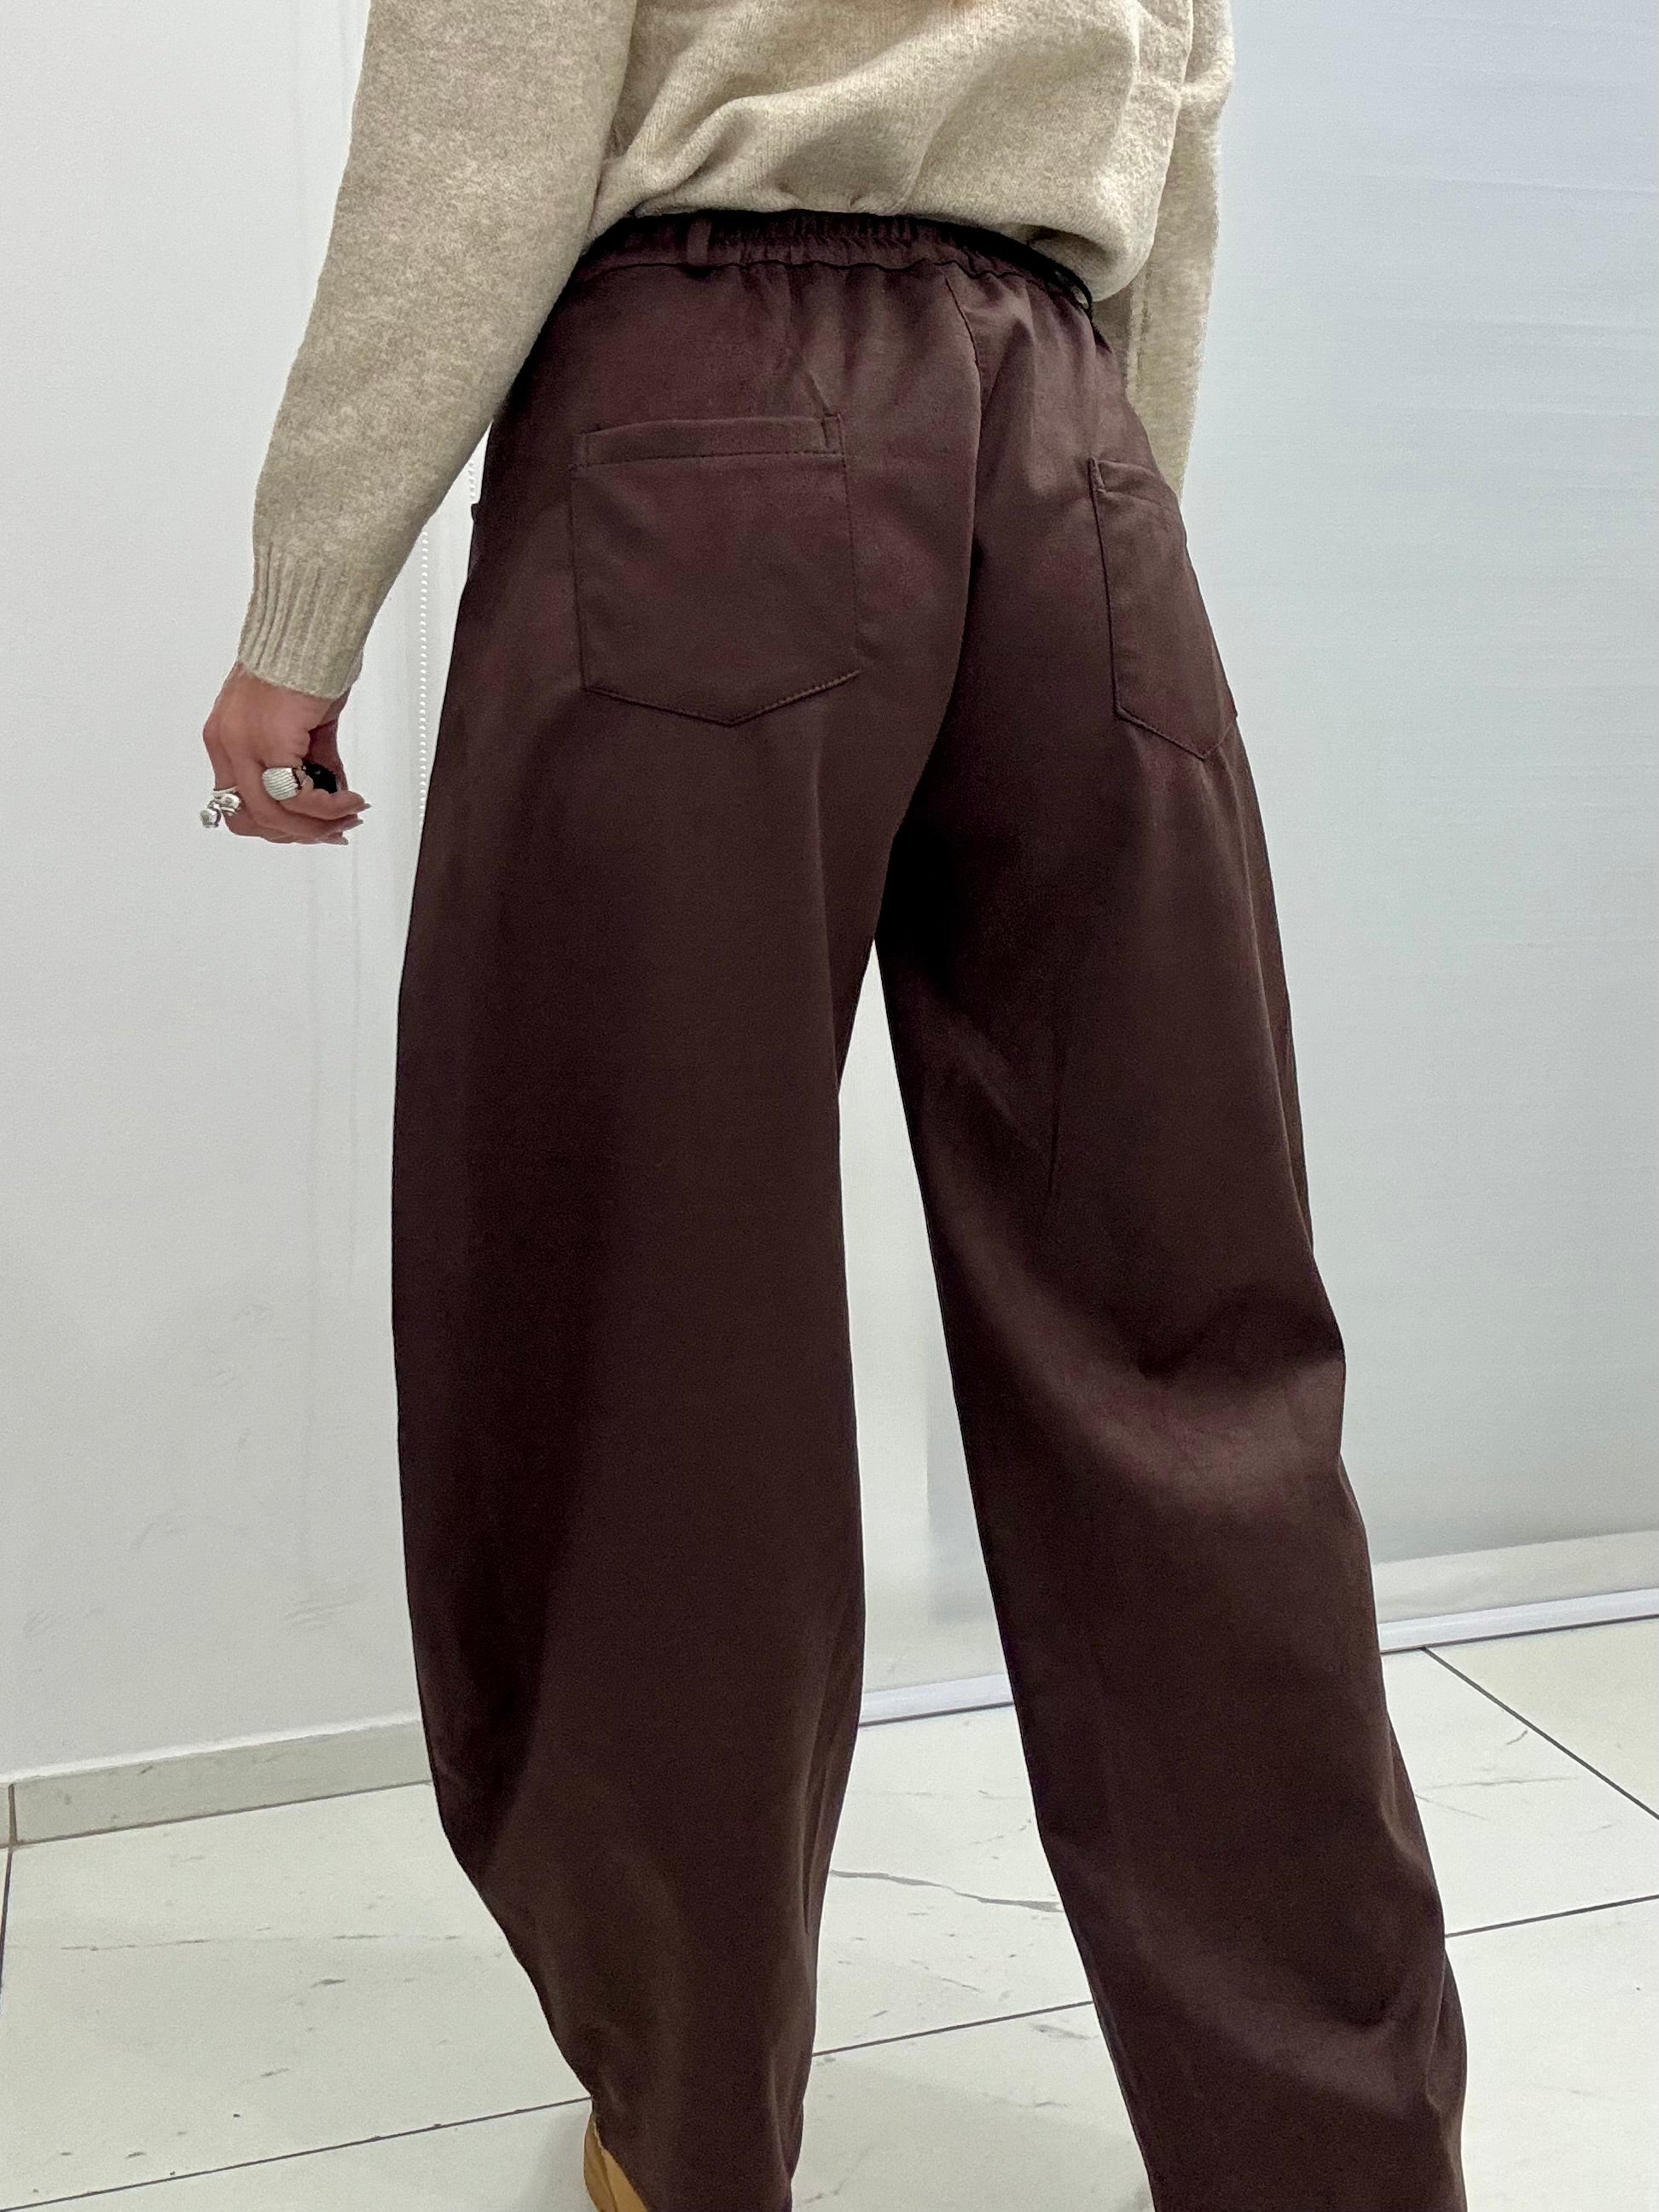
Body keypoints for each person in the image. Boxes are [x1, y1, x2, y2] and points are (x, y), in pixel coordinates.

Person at [199, 3, 1470, 2207]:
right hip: (1072, 462)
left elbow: (479, 127)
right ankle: (1331, 2159)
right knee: (1182, 1354)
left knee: (657, 1344)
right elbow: (1172, 152)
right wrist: (1093, 534)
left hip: (697, 420)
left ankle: (691, 2130)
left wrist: (306, 596)